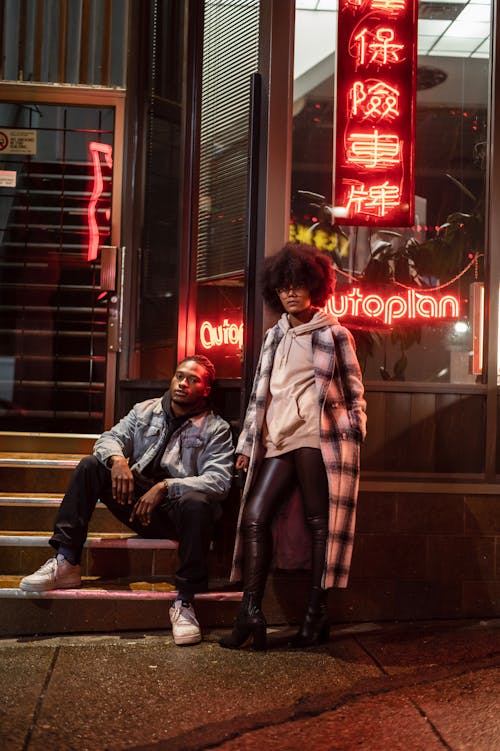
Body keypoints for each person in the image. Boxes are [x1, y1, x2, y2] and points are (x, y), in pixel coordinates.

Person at [19, 355, 235, 646]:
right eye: (180, 376)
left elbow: (219, 481)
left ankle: (185, 602)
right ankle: (67, 560)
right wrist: (118, 459)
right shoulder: (144, 411)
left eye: (193, 380)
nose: (183, 383)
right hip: (134, 502)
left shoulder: (215, 428)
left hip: (175, 515)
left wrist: (165, 487)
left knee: (197, 502)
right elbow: (108, 438)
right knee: (90, 466)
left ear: (206, 390)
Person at [220, 243, 366, 651]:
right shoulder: (273, 336)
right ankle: (250, 609)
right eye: (284, 287)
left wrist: (351, 431)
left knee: (320, 523)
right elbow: (259, 395)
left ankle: (315, 615)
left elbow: (355, 394)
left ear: (314, 287)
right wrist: (249, 442)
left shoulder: (334, 334)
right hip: (277, 439)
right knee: (253, 517)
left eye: (299, 285)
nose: (291, 293)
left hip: (316, 438)